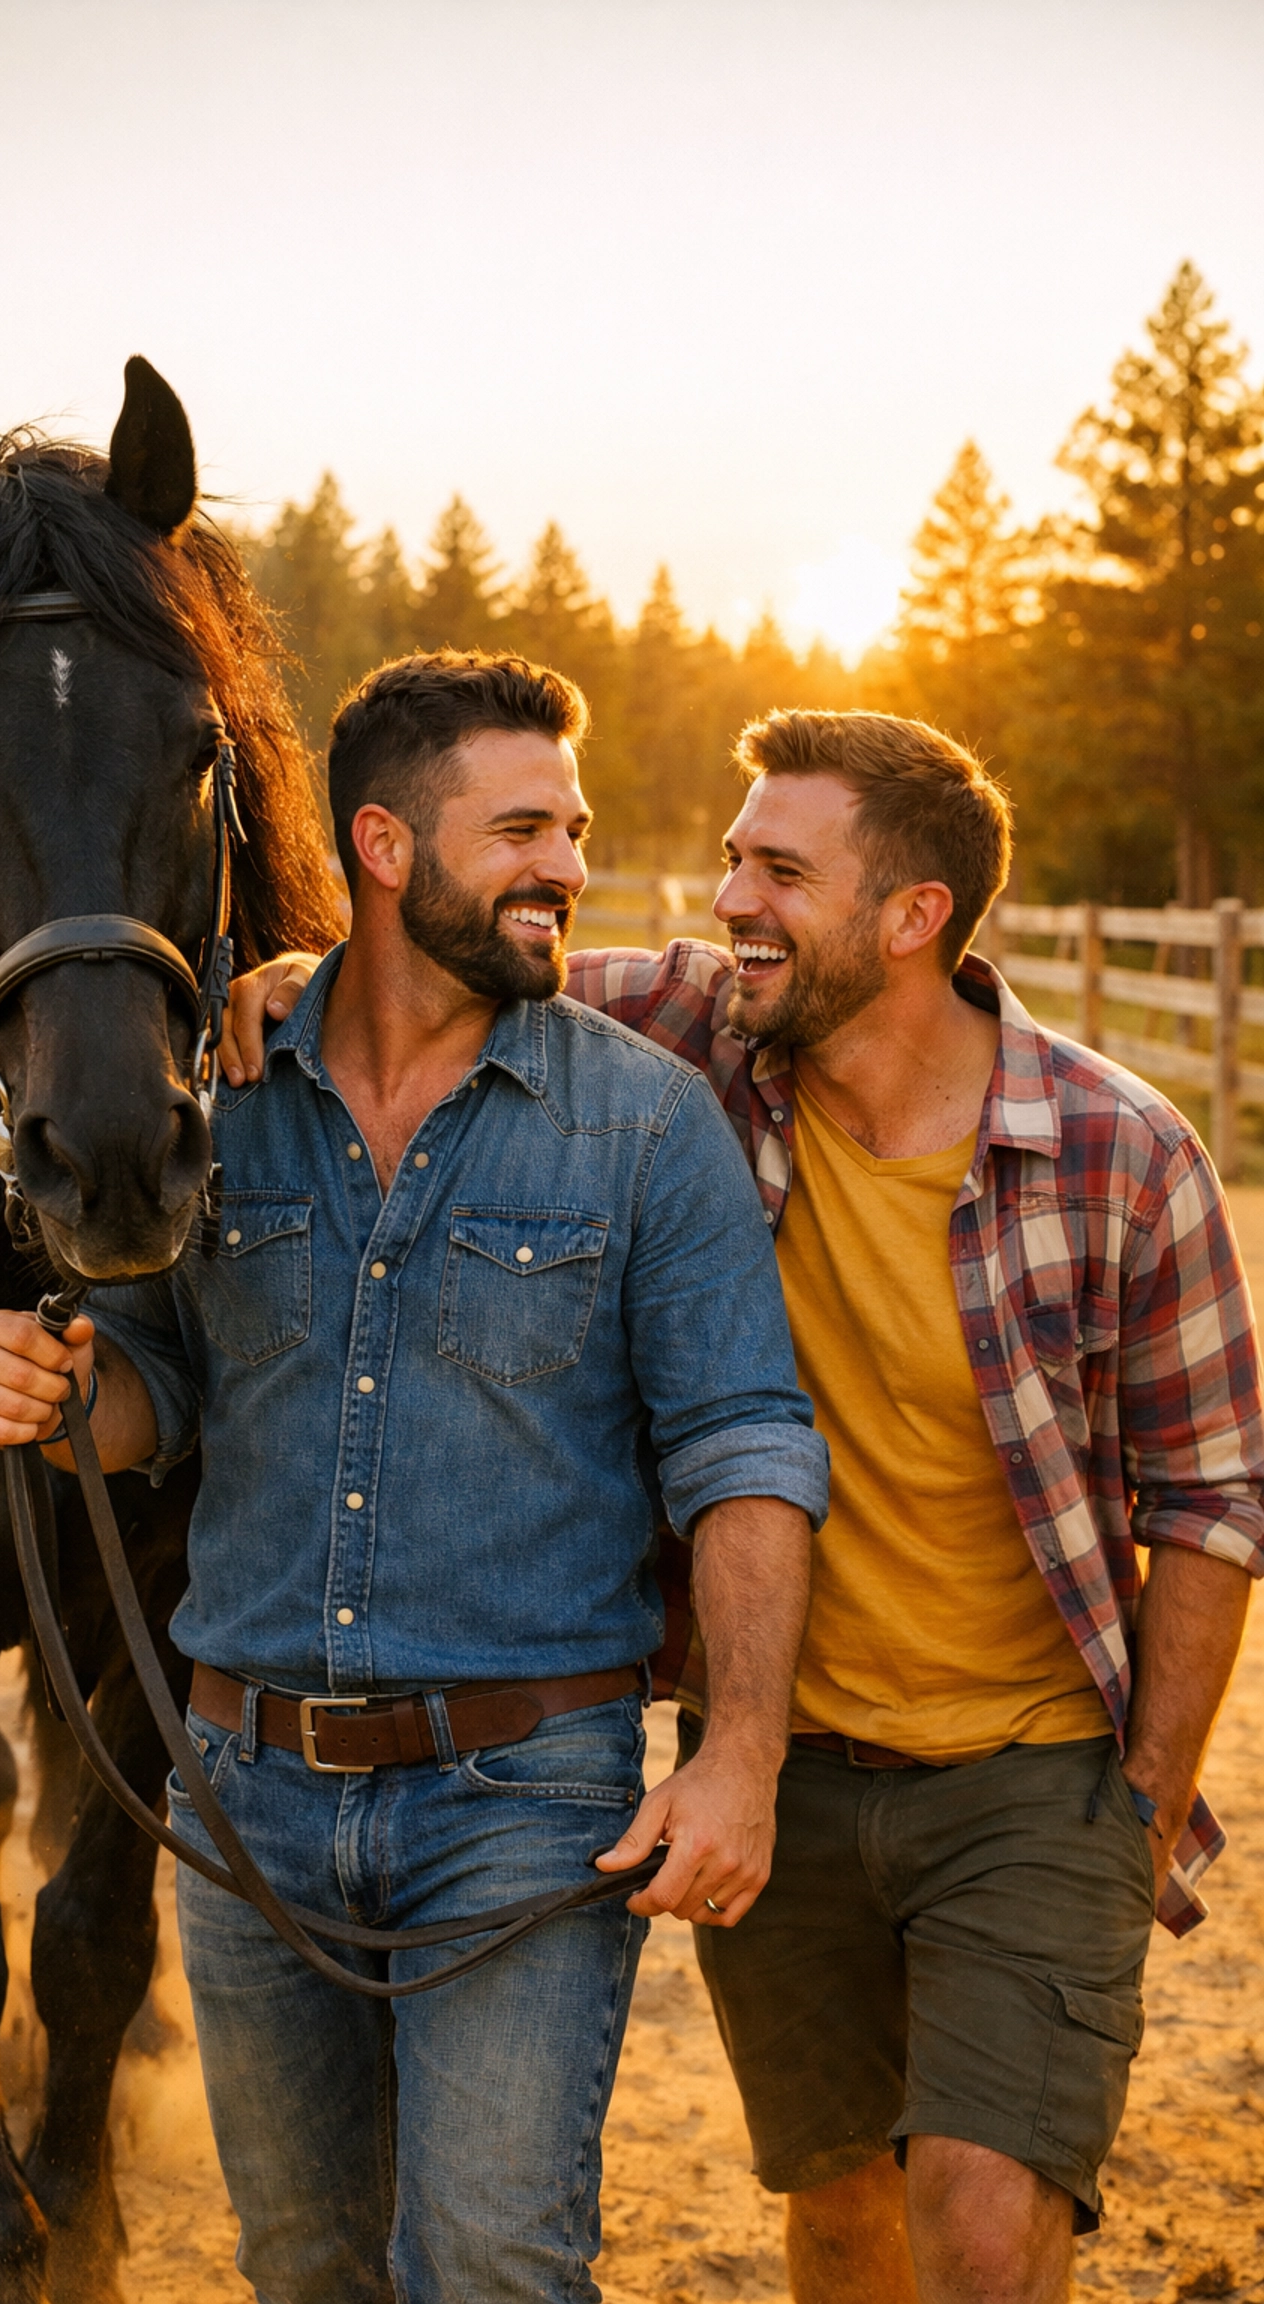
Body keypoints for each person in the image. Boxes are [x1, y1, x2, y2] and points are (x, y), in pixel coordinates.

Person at [229, 707, 1264, 2304]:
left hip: (1029, 1773)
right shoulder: (699, 1047)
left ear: (913, 918)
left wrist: (1137, 1808)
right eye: (731, 858)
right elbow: (447, 962)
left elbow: (1209, 1500)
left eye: (781, 870)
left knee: (985, 2233)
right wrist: (302, 976)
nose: (729, 905)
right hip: (785, 1777)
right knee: (843, 2213)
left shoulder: (1121, 1155)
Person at [0, 652, 828, 2304]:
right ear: (381, 843)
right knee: (303, 2265)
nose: (565, 865)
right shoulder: (221, 1106)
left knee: (492, 2262)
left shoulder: (643, 1128)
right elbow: (153, 1386)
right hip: (248, 1792)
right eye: (520, 829)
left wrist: (743, 1757)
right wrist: (51, 1389)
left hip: (523, 1804)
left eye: (569, 829)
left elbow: (746, 1450)